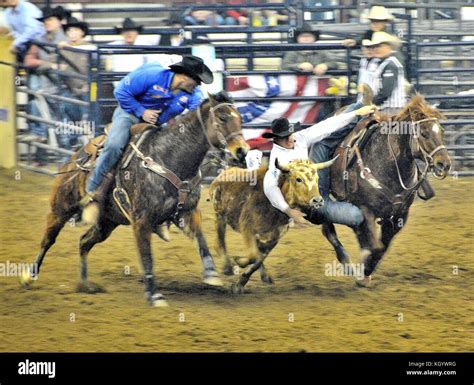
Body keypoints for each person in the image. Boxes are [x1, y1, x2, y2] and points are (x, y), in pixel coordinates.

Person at [83, 55, 214, 206]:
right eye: (197, 81)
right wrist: (141, 111)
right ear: (185, 77)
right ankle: (92, 188)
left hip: (156, 125)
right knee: (114, 145)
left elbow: (197, 112)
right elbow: (121, 91)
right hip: (129, 115)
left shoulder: (192, 94)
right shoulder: (152, 75)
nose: (197, 85)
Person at [263, 103, 376, 227]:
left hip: (316, 183)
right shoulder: (278, 159)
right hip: (311, 202)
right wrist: (288, 210)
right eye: (285, 137)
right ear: (276, 140)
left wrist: (355, 113)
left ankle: (359, 104)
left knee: (324, 138)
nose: (291, 138)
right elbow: (269, 187)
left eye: (290, 134)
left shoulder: (298, 138)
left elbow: (324, 127)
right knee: (356, 216)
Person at [22, 6, 67, 164]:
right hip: (48, 87)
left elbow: (64, 64)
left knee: (60, 122)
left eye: (50, 20)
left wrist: (43, 64)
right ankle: (43, 157)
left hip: (63, 88)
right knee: (40, 109)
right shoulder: (40, 40)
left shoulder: (66, 40)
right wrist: (49, 64)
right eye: (45, 21)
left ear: (59, 22)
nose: (47, 23)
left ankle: (64, 158)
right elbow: (28, 61)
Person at [57, 17, 96, 153]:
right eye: (69, 30)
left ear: (82, 32)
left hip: (86, 88)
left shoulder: (90, 48)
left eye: (75, 30)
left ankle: (84, 148)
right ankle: (71, 148)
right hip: (70, 88)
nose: (72, 33)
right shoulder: (62, 47)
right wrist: (55, 64)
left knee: (87, 119)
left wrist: (90, 83)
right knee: (69, 116)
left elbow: (97, 69)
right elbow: (51, 62)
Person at [367, 32, 406, 113]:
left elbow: (385, 92)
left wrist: (371, 103)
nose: (376, 49)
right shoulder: (383, 63)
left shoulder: (390, 65)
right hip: (385, 107)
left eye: (380, 46)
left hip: (391, 109)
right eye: (375, 46)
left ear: (389, 47)